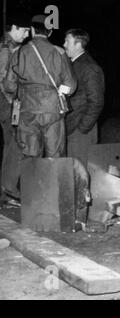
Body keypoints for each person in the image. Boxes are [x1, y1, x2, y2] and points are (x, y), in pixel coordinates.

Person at [3, 15, 77, 158]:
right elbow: (71, 86)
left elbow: (9, 86)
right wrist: (57, 92)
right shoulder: (59, 52)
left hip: (27, 111)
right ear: (50, 32)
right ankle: (52, 180)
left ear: (31, 30)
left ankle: (32, 180)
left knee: (30, 157)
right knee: (55, 157)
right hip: (53, 110)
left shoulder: (18, 52)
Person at [63, 29, 105, 167]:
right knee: (72, 171)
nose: (64, 44)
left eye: (67, 41)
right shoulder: (74, 63)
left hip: (80, 131)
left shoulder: (89, 67)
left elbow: (96, 102)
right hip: (72, 127)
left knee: (80, 172)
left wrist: (82, 128)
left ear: (78, 44)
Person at [0, 15, 30, 202]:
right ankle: (8, 188)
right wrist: (14, 104)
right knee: (15, 144)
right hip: (8, 102)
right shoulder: (7, 49)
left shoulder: (10, 47)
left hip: (8, 102)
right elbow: (4, 80)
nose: (27, 35)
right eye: (24, 30)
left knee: (11, 145)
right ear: (14, 27)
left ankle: (6, 190)